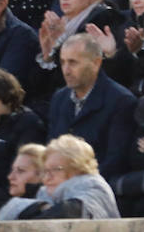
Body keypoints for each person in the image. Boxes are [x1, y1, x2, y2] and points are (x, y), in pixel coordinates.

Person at [45, 33, 134, 179]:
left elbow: (115, 162)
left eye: (73, 63)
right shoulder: (59, 99)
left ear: (96, 63)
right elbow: (50, 149)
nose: (66, 70)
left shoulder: (121, 102)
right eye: (63, 62)